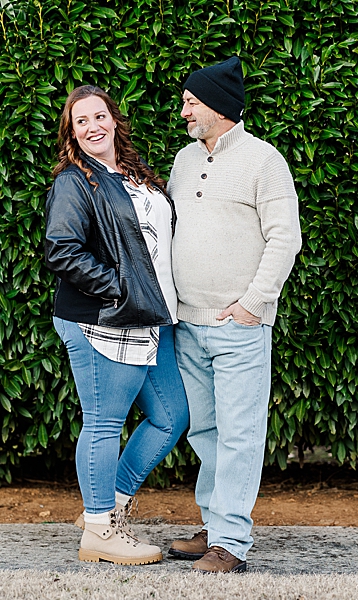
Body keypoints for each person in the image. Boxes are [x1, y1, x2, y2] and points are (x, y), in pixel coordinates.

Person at [165, 57, 302, 573]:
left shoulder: (264, 161)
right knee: (205, 430)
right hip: (187, 321)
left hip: (238, 325)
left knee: (241, 432)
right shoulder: (183, 160)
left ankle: (231, 543)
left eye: (191, 102)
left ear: (219, 107)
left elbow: (285, 239)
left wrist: (252, 304)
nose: (184, 112)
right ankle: (215, 523)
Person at [44, 85, 189, 565]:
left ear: (114, 120)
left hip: (155, 317)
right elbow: (62, 250)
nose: (92, 127)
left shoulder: (134, 172)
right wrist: (121, 289)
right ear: (71, 131)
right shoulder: (75, 180)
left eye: (99, 116)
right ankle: (101, 533)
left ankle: (108, 507)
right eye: (80, 120)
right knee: (105, 421)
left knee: (170, 417)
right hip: (103, 318)